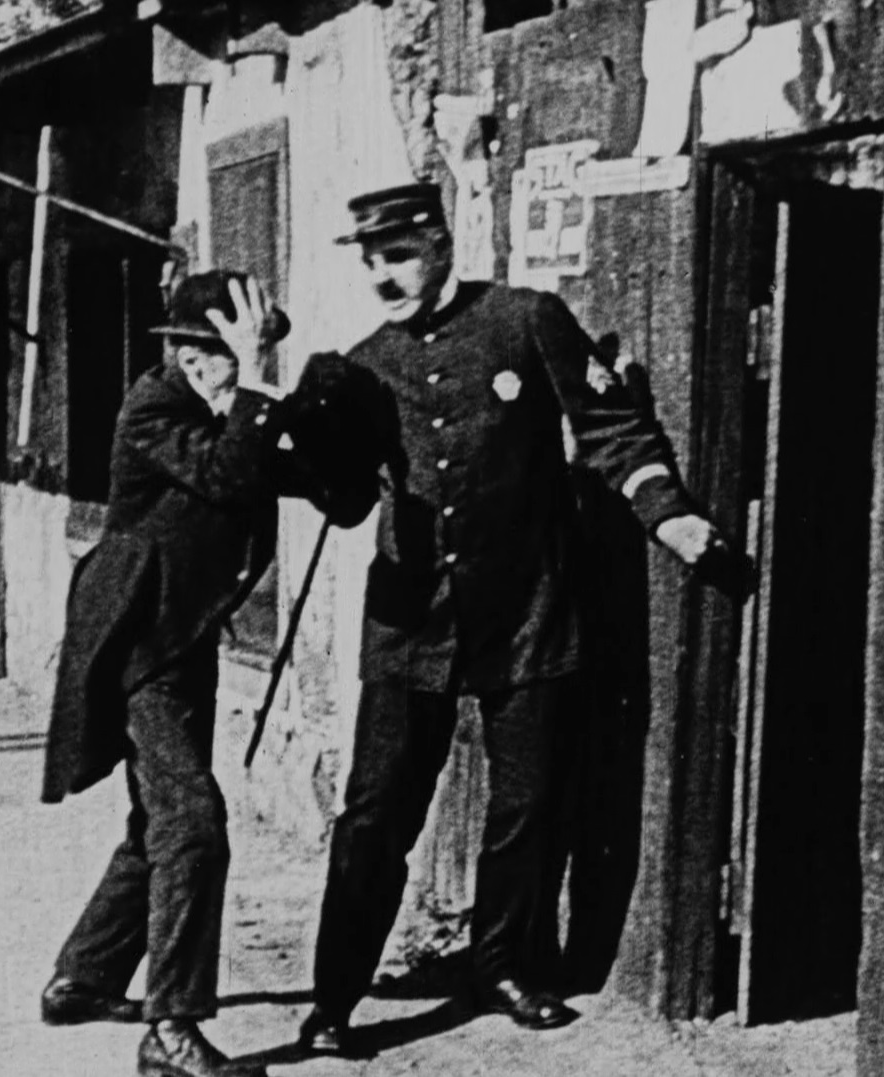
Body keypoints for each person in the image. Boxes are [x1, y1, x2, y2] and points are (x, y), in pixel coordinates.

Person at [296, 183, 729, 1054]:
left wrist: (667, 515)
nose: (384, 276)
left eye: (399, 254)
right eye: (371, 261)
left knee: (525, 806)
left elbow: (611, 430)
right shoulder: (365, 364)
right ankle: (334, 999)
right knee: (375, 814)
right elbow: (344, 502)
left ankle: (500, 966)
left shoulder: (525, 320)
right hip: (411, 624)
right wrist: (313, 426)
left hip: (527, 610)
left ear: (441, 244)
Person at [39, 270, 372, 1077]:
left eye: (212, 346)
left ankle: (83, 977)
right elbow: (230, 473)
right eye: (187, 345)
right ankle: (172, 1028)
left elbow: (323, 488)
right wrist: (256, 382)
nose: (192, 360)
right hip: (134, 642)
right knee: (193, 823)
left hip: (180, 636)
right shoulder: (155, 406)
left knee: (158, 819)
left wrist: (338, 436)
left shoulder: (232, 410)